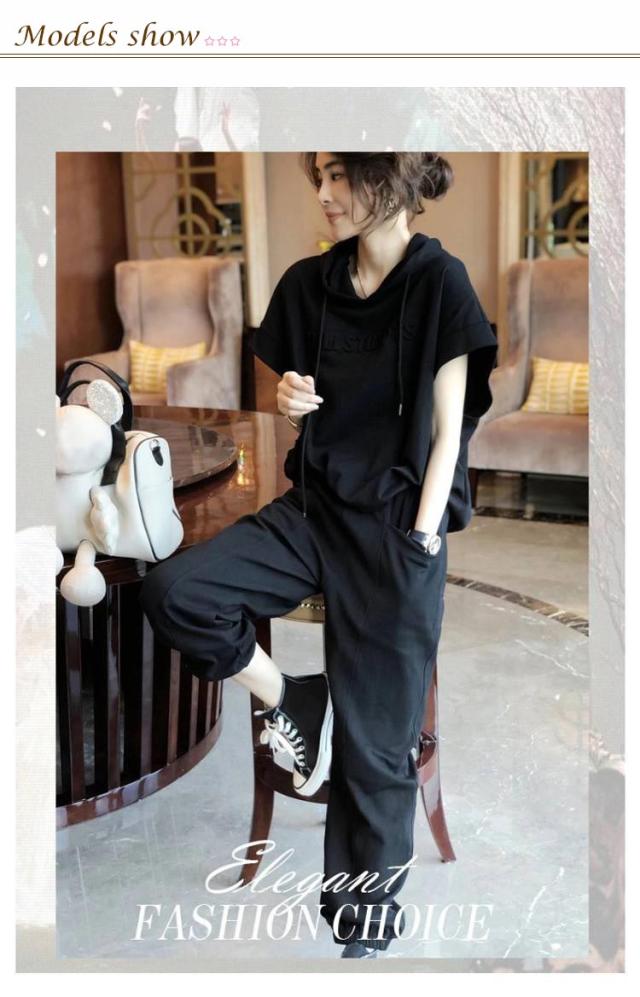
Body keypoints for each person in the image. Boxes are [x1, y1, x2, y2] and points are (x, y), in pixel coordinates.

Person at [139, 151, 498, 958]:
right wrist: (289, 401)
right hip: (313, 511)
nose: (326, 194)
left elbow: (450, 431)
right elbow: (304, 405)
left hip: (398, 527)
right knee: (177, 589)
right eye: (321, 177)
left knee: (376, 749)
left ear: (390, 176)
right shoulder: (310, 284)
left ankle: (362, 925)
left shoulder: (440, 284)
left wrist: (422, 536)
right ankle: (296, 698)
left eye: (342, 175)